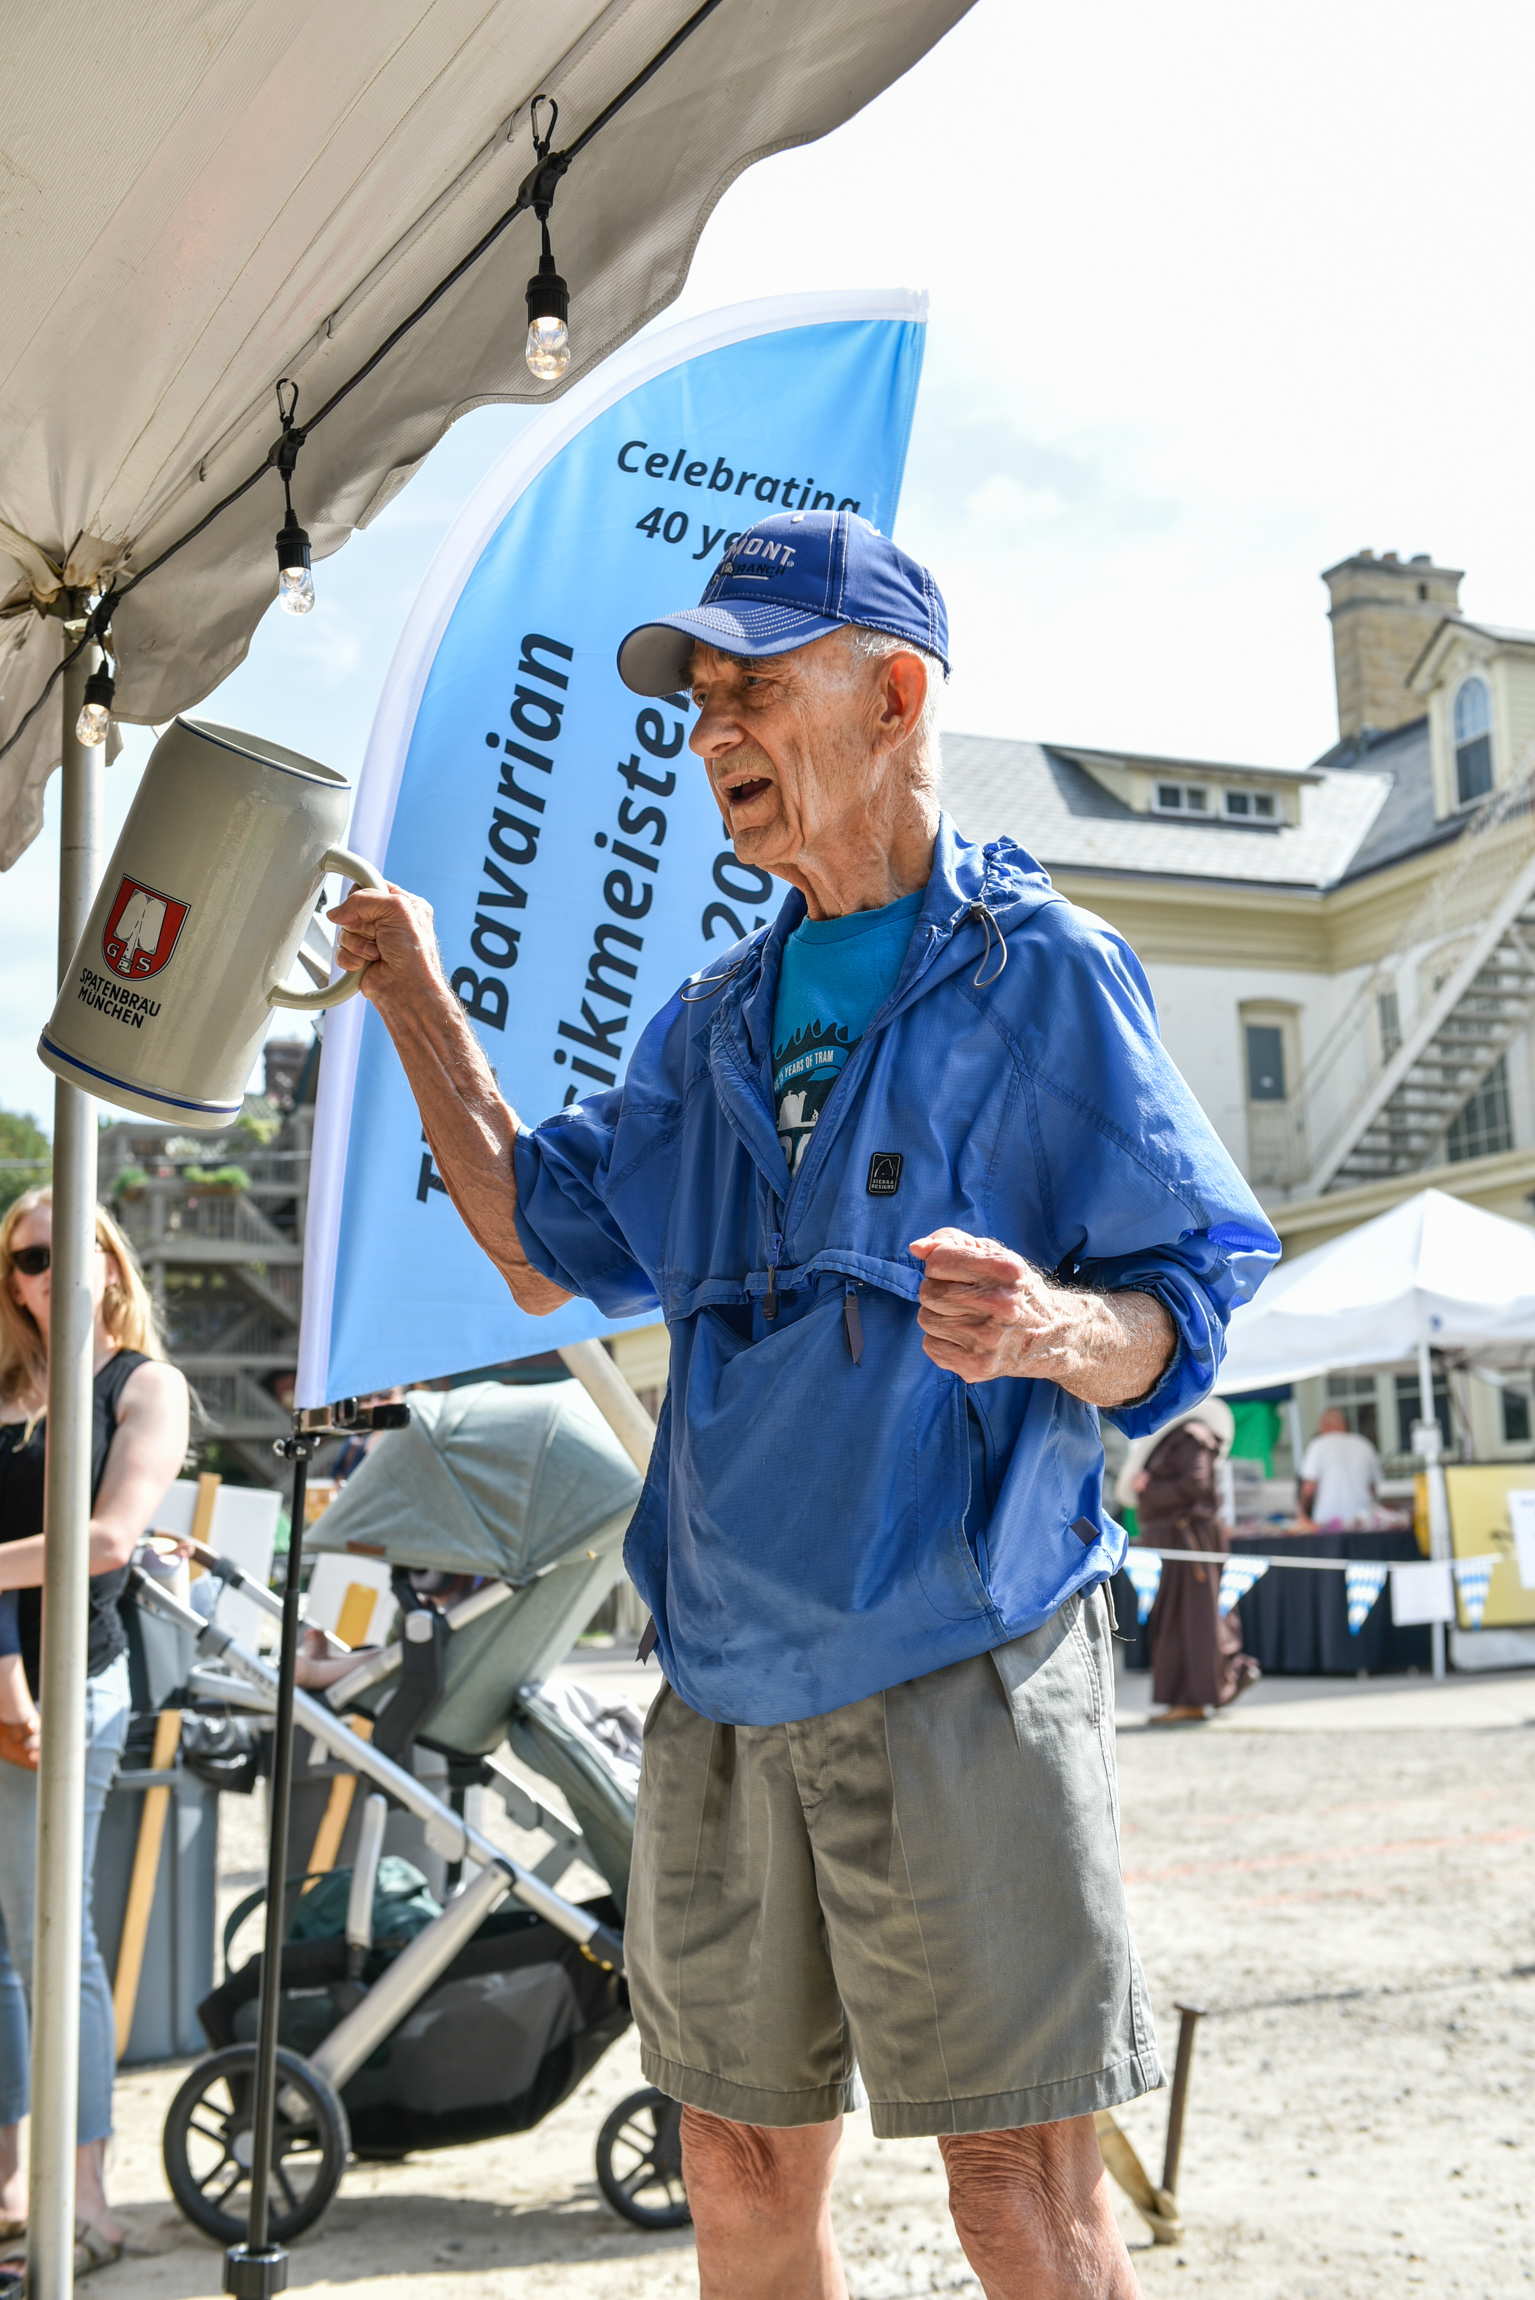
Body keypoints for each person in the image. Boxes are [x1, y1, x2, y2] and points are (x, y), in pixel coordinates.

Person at [329, 509, 1280, 2299]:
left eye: (751, 688)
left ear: (895, 695)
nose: (710, 734)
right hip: (720, 1671)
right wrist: (413, 993)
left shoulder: (1040, 971)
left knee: (1015, 2191)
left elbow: (1185, 1307)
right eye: (696, 703)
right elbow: (538, 1245)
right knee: (739, 2170)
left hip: (959, 1656)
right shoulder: (708, 1023)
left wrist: (1050, 1327)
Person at [0, 1188, 189, 2272]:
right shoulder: (3, 1388)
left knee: (50, 1936)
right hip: (3, 1675)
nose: (49, 1270)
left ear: (111, 1262)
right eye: (29, 1256)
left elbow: (111, 1537)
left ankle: (86, 2193)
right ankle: (10, 2183)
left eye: (69, 1248)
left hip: (72, 1681)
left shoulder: (141, 1384)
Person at [1116, 1399, 1259, 1724]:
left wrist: (1150, 1487)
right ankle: (1205, 1689)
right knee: (1182, 1618)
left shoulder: (1192, 1435)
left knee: (1193, 1618)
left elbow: (1196, 1484)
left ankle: (1200, 1695)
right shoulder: (1182, 1437)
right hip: (1176, 1542)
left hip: (1187, 1542)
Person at [1297, 1406, 1381, 1529]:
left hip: (1326, 1521)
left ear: (1326, 1425)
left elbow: (1308, 1489)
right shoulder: (1365, 1444)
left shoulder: (1318, 1445)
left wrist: (1302, 1514)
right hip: (1363, 1522)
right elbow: (1373, 1488)